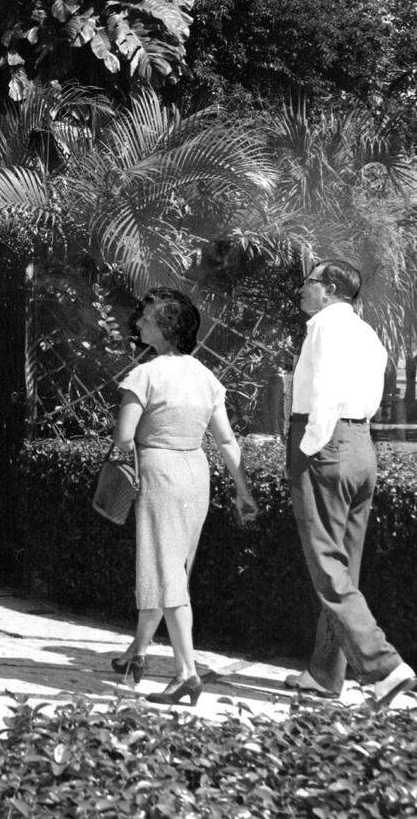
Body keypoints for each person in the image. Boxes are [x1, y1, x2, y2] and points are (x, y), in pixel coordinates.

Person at [108, 288, 257, 706]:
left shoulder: (145, 375)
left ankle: (186, 672)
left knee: (166, 572)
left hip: (159, 473)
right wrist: (243, 491)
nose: (139, 322)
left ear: (166, 328)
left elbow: (123, 438)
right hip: (196, 474)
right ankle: (137, 652)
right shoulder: (206, 377)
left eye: (148, 318)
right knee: (172, 566)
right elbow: (226, 440)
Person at [283, 260, 415, 707]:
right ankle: (324, 674)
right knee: (343, 566)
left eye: (309, 283)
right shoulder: (367, 332)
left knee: (326, 564)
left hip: (325, 442)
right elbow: (369, 396)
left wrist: (308, 446)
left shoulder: (324, 327)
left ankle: (384, 667)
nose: (302, 290)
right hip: (360, 444)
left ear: (331, 289)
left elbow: (325, 391)